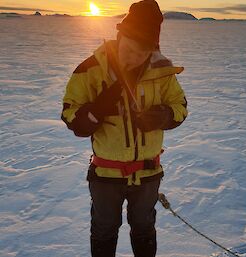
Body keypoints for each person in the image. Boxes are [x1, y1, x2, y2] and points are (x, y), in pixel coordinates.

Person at [61, 0, 187, 256]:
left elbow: (180, 106)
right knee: (104, 230)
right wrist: (95, 112)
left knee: (144, 229)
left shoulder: (162, 72)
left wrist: (163, 116)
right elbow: (70, 115)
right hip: (106, 175)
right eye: (129, 49)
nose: (134, 58)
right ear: (120, 36)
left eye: (142, 53)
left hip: (148, 174)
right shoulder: (90, 70)